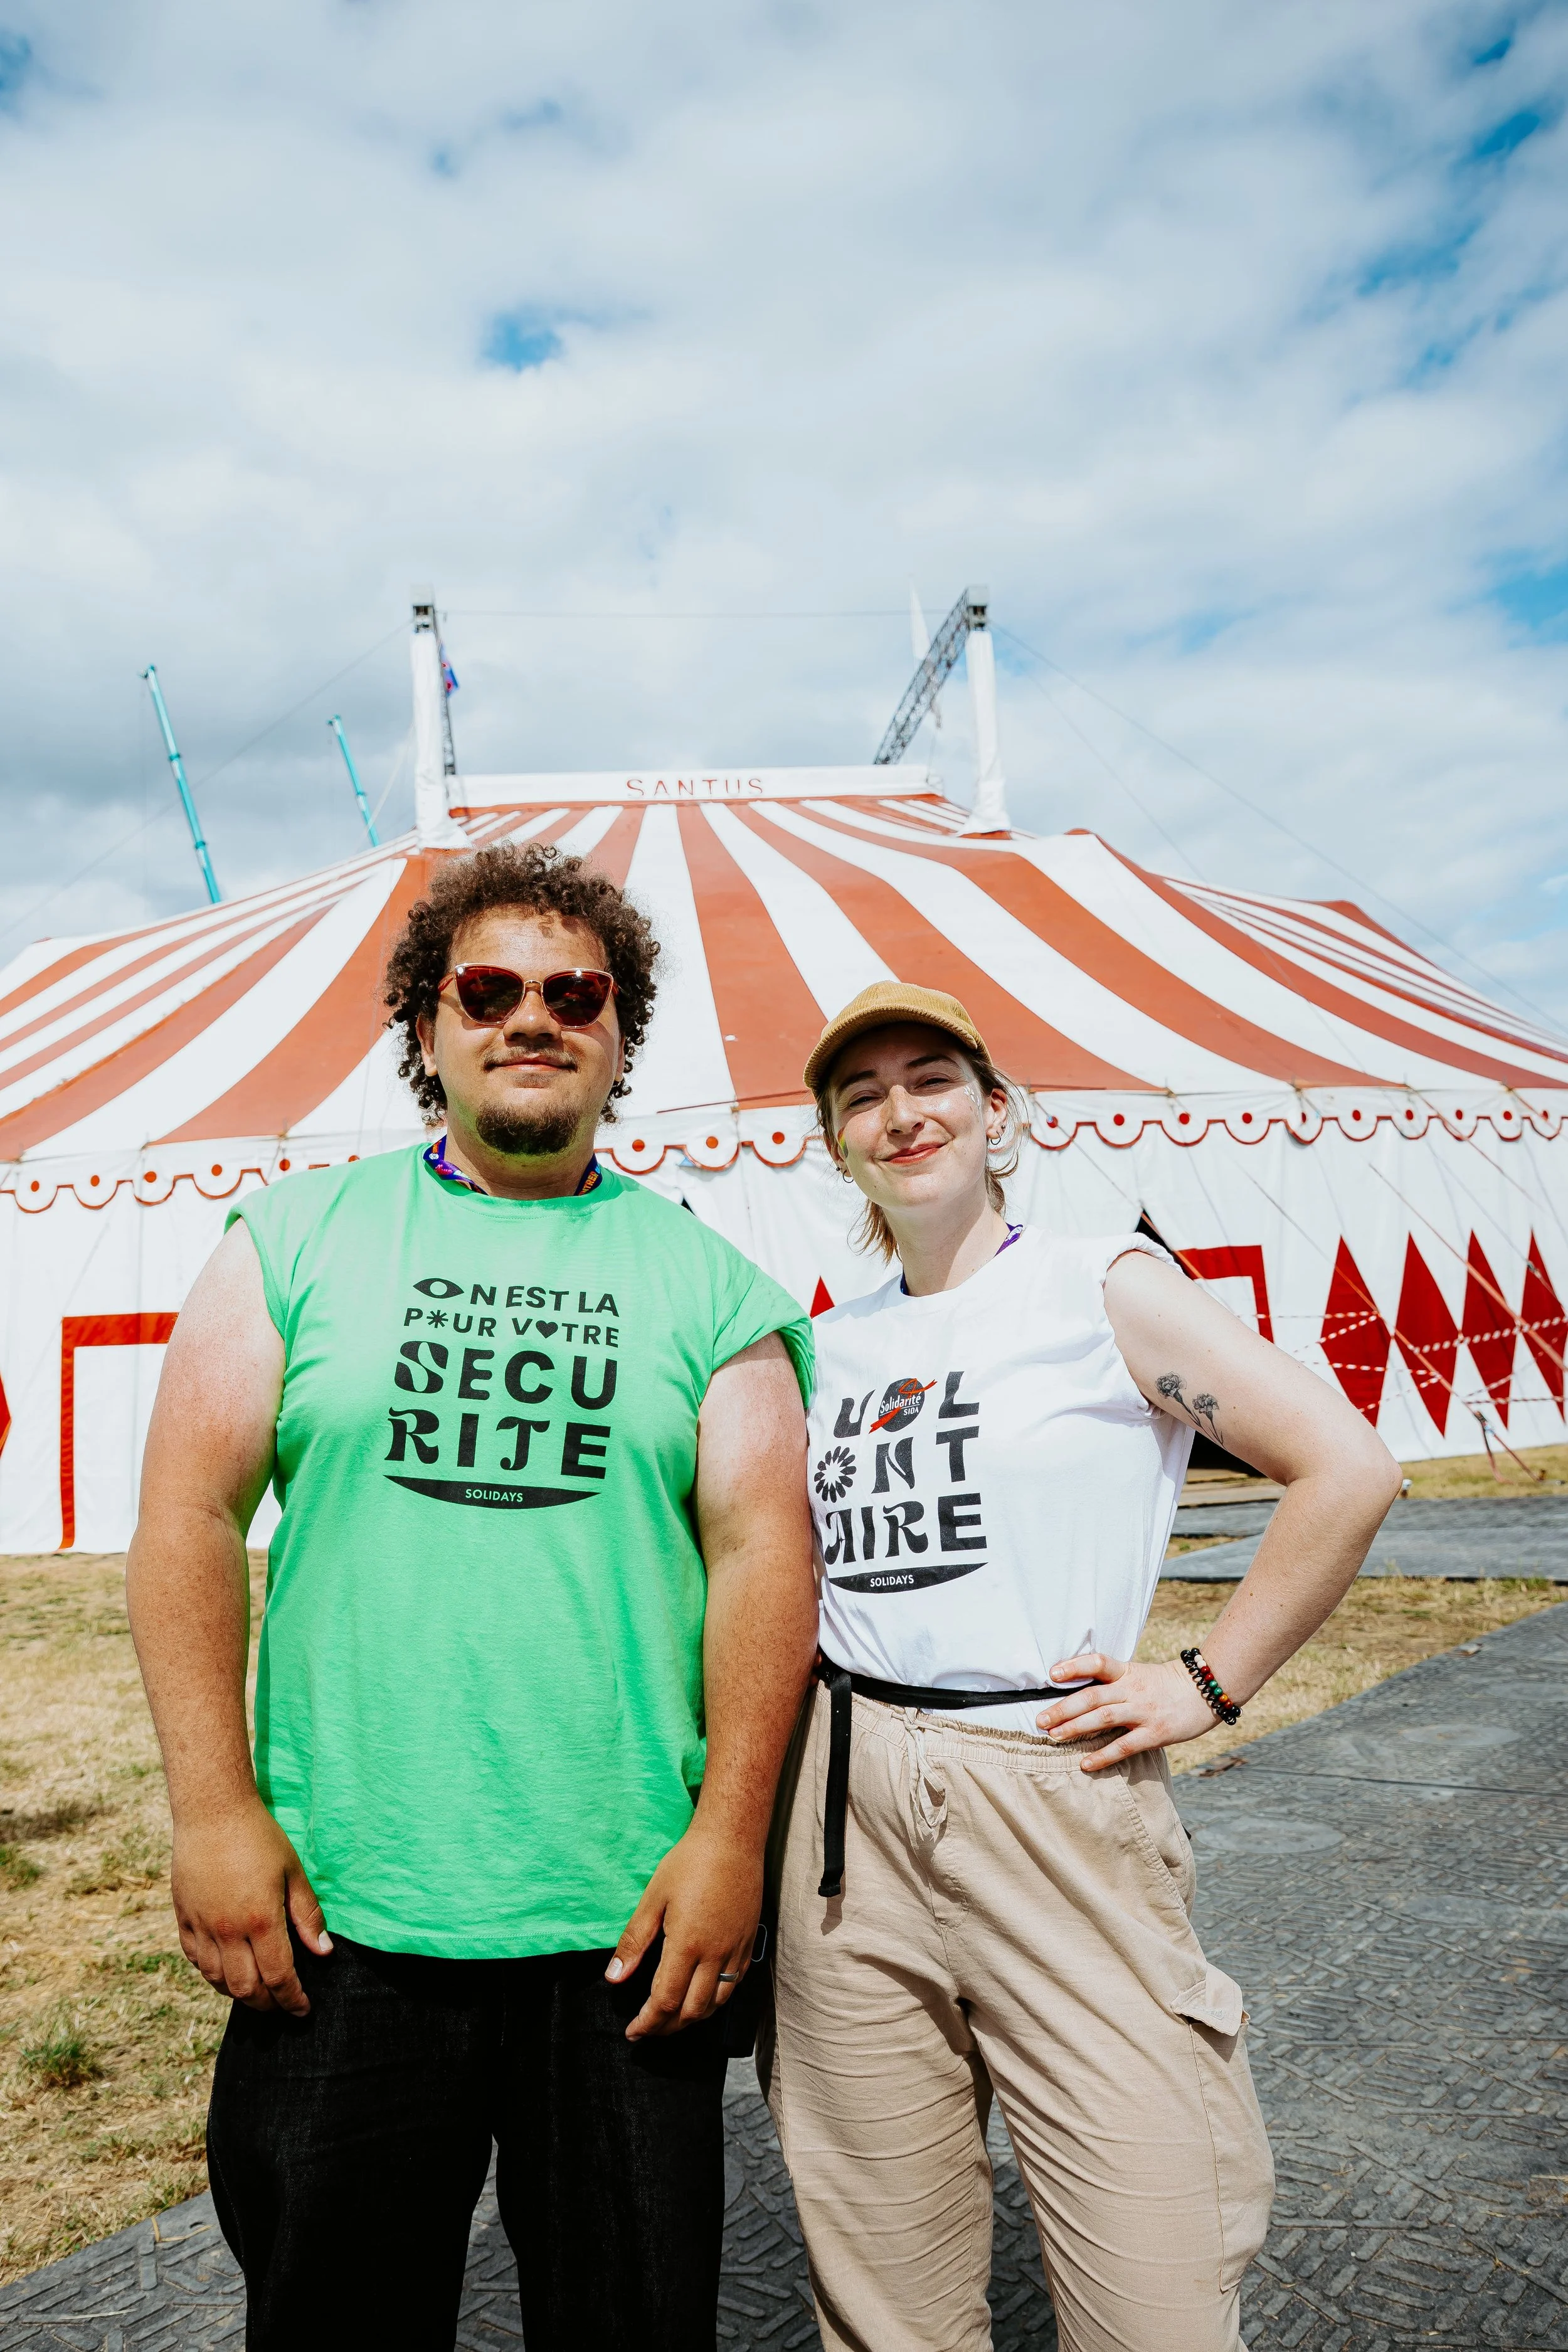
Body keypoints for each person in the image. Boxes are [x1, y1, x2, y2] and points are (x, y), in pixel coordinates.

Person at [127, 842, 818, 2352]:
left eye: (576, 992)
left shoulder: (709, 1284)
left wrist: (729, 1838)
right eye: (487, 987)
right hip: (343, 1918)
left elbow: (766, 1557)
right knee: (331, 2322)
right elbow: (186, 1513)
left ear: (619, 1033)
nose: (532, 1017)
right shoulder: (289, 1243)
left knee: (629, 2327)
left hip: (623, 1928)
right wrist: (211, 1809)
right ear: (426, 1025)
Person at [761, 980, 1402, 2352]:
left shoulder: (1100, 1281)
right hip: (841, 1799)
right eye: (860, 1096)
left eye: (929, 1080)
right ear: (836, 1145)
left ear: (998, 1114)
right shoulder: (829, 1340)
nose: (898, 1112)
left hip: (1040, 1776)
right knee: (878, 2265)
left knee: (1151, 2265)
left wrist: (1208, 1681)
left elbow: (1343, 1467)